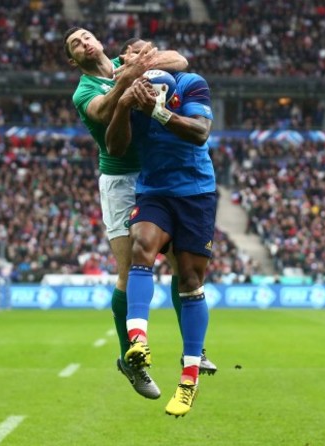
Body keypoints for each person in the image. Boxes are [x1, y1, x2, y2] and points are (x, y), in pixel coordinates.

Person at [63, 27, 216, 401]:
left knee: (185, 268)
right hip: (120, 178)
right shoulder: (84, 91)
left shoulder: (121, 63)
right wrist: (127, 84)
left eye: (86, 36)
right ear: (74, 60)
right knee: (130, 269)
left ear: (98, 41)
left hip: (158, 171)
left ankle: (194, 347)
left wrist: (133, 67)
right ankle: (130, 357)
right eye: (75, 44)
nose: (84, 42)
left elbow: (178, 60)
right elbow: (101, 113)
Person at [105, 41, 217, 417]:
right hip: (153, 190)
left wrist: (158, 112)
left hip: (195, 192)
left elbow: (200, 132)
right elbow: (117, 148)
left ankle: (188, 380)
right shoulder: (128, 94)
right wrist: (124, 106)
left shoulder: (191, 83)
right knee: (142, 246)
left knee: (189, 280)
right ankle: (138, 340)